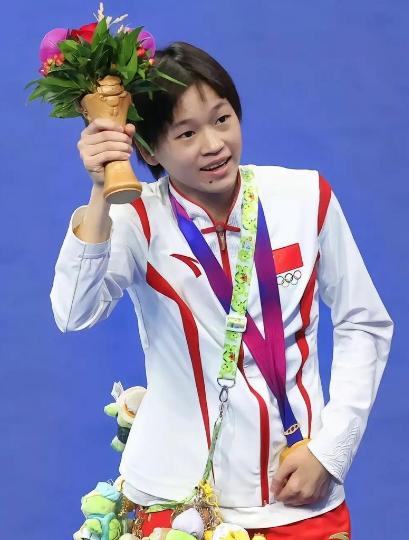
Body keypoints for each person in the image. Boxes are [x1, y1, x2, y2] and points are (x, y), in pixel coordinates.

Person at [50, 42, 393, 539]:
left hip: (297, 496)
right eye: (186, 133)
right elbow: (73, 312)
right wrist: (102, 190)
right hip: (173, 504)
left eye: (222, 119)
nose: (213, 144)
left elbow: (364, 322)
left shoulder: (304, 198)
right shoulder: (136, 220)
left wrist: (332, 449)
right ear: (147, 150)